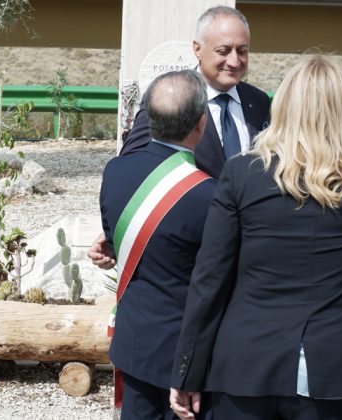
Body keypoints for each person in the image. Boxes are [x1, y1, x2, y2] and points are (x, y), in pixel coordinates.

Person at [170, 55, 342, 420]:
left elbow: (210, 278)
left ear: (284, 105)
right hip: (338, 360)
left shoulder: (242, 172)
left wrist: (186, 370)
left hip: (248, 357)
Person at [88, 5, 270, 268]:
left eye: (242, 51)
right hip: (191, 256)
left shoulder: (258, 102)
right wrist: (119, 233)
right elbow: (135, 166)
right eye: (223, 51)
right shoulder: (170, 94)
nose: (234, 61)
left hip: (250, 252)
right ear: (197, 49)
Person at [100, 69, 216, 419]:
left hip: (134, 343)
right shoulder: (209, 195)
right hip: (184, 355)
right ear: (201, 123)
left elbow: (118, 242)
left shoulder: (115, 172)